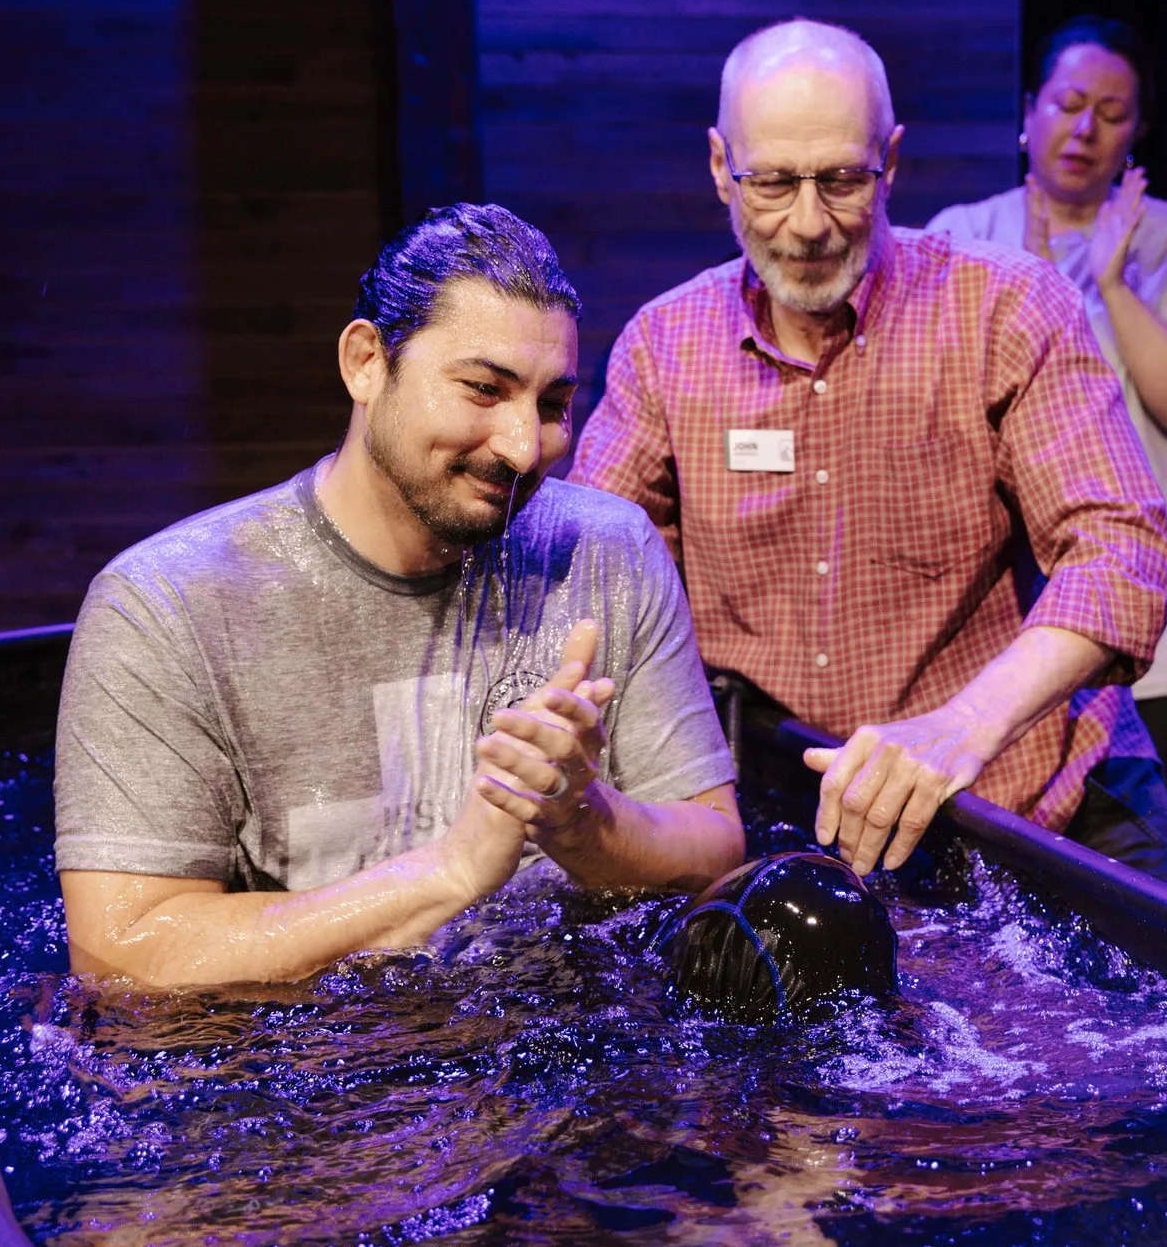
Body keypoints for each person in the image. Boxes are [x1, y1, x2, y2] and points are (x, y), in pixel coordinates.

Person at [570, 18, 1167, 892]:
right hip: (794, 816)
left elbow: (1123, 552)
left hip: (1032, 787)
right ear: (721, 167)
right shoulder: (663, 347)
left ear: (891, 160)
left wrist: (961, 725)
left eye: (840, 180)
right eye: (773, 183)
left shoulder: (1008, 308)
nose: (808, 223)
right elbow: (599, 592)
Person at [54, 205, 744, 987]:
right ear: (365, 364)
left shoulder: (607, 552)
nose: (524, 447)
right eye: (484, 389)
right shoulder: (163, 606)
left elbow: (717, 852)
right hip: (304, 1086)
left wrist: (584, 821)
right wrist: (447, 872)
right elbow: (123, 956)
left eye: (552, 404)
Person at [928, 15, 1167, 913]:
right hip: (1007, 627)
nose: (1084, 129)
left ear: (1136, 130)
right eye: (1067, 105)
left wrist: (1110, 279)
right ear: (1028, 113)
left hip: (1163, 620)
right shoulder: (963, 235)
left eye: (1112, 112)